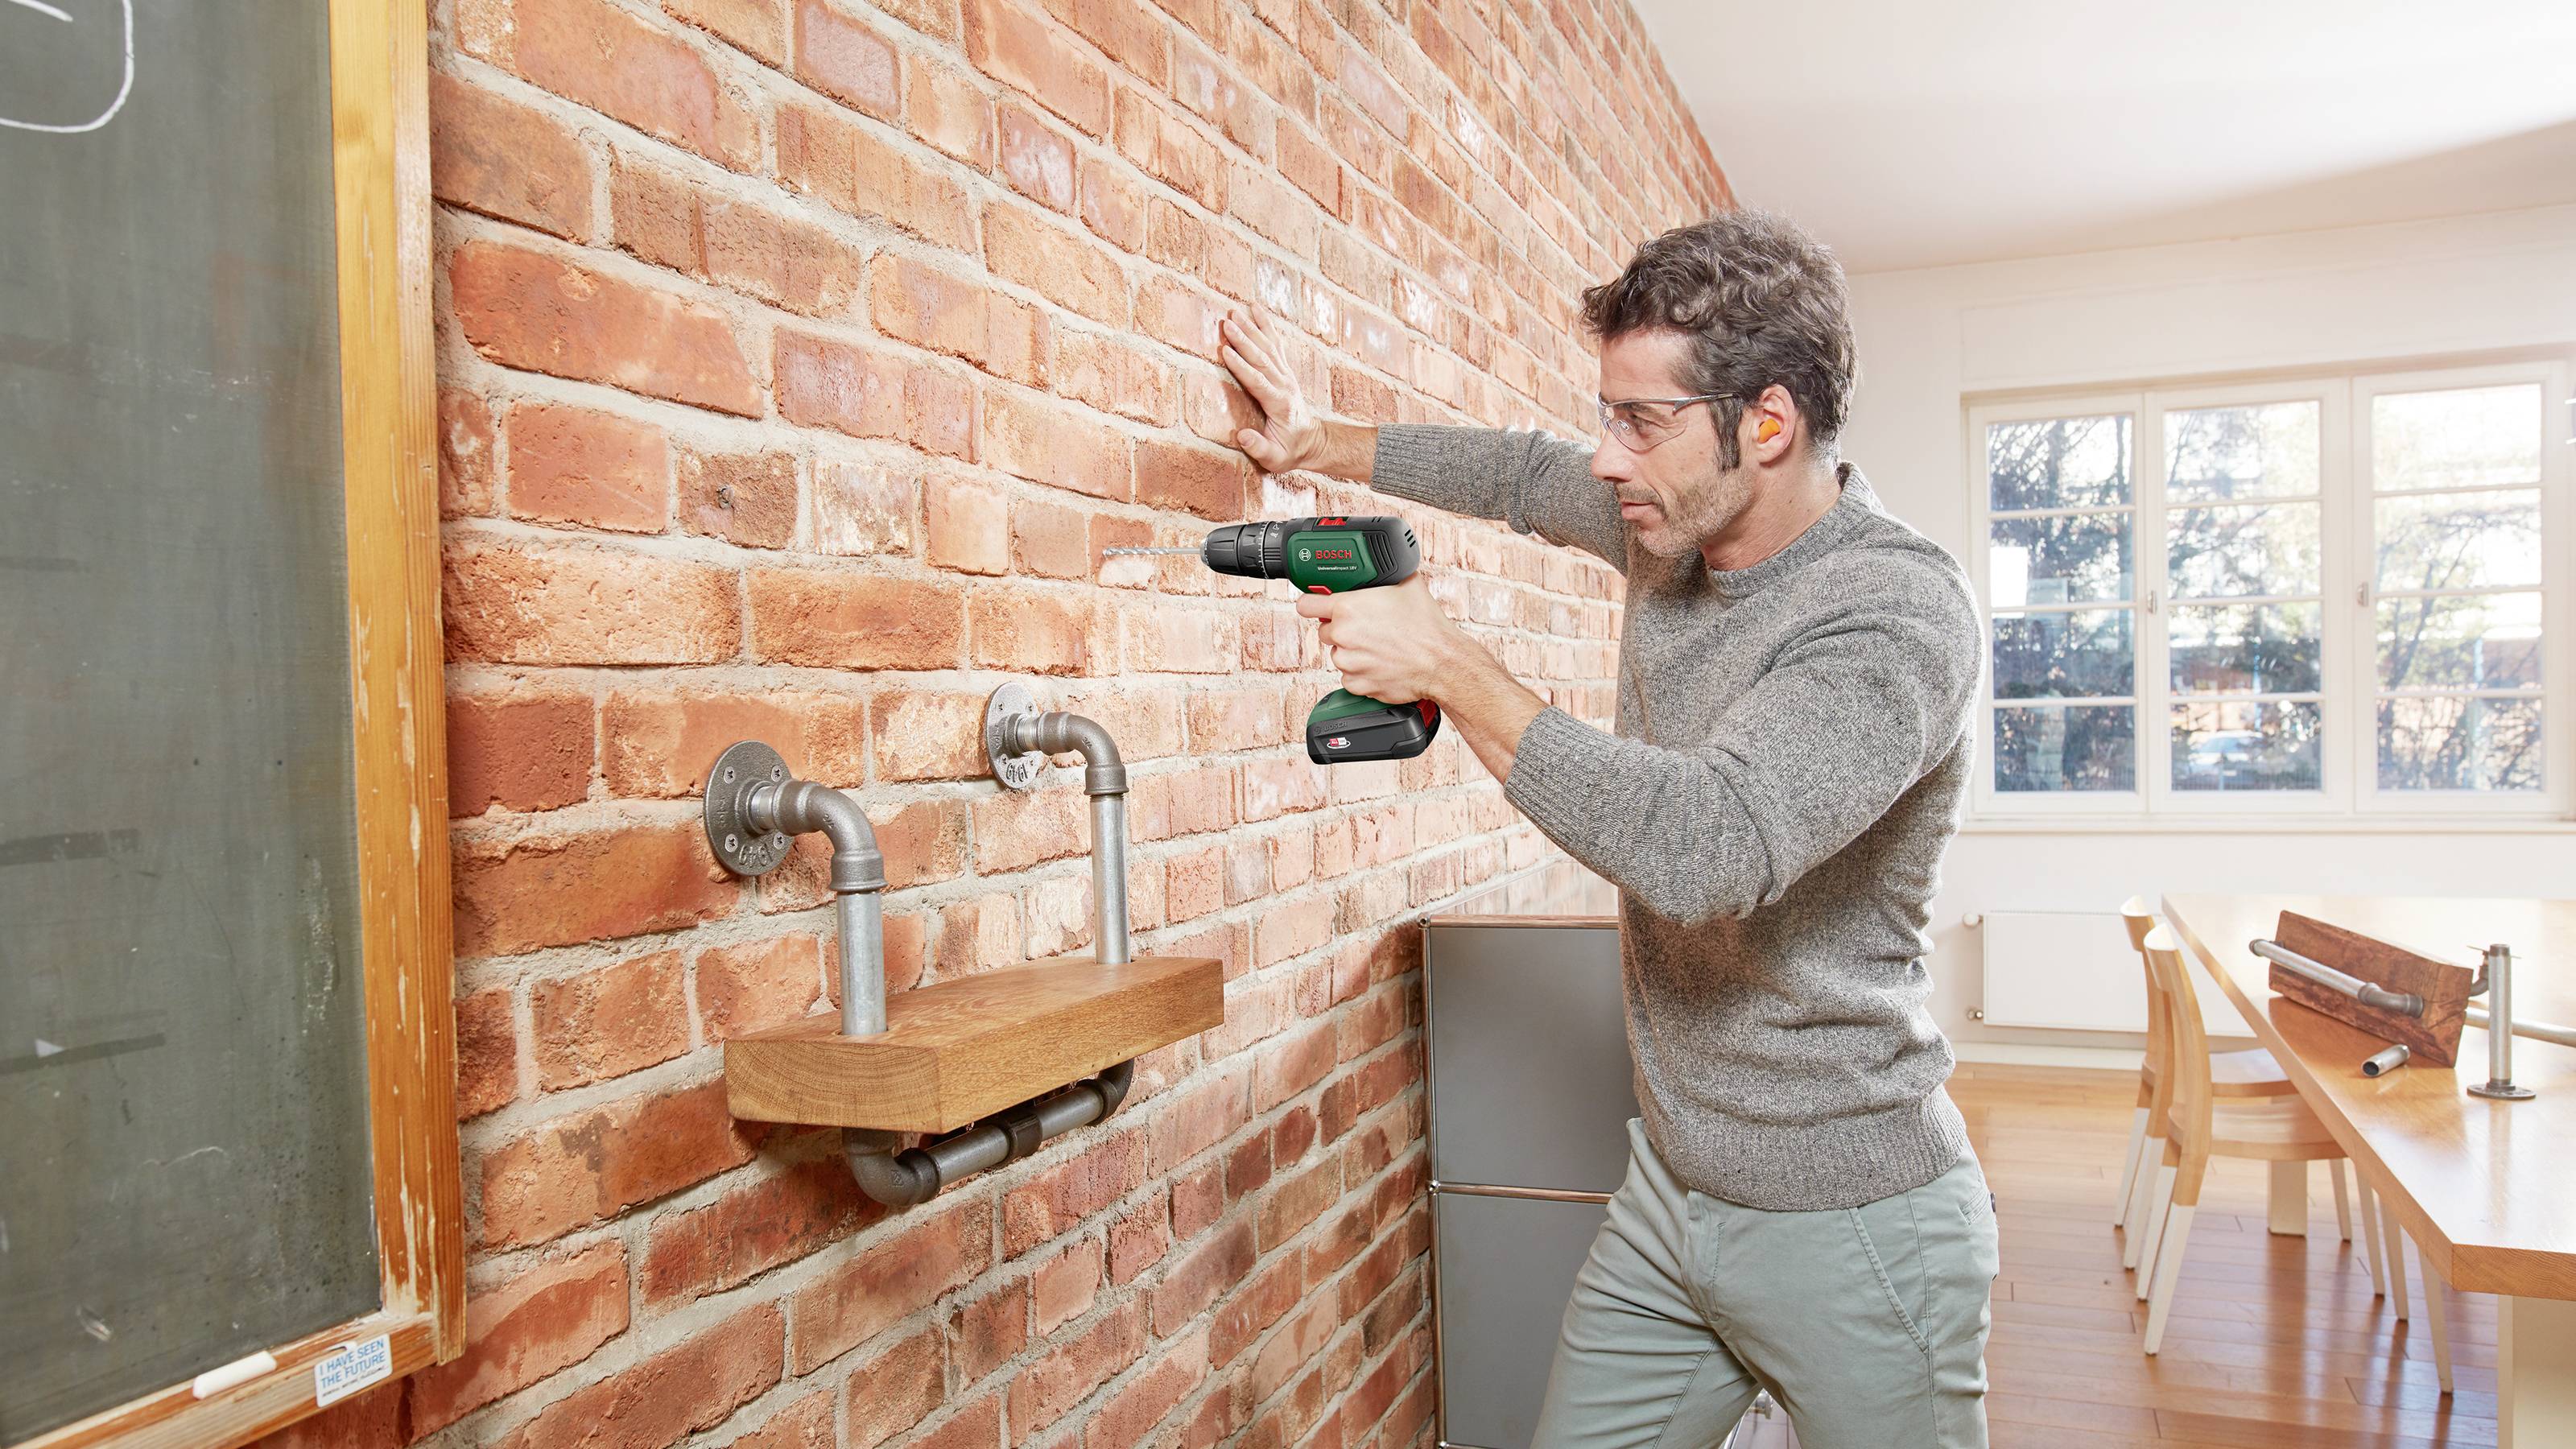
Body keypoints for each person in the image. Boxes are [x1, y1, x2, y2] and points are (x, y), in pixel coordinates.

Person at [1213, 209, 1998, 1447]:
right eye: (1607, 413)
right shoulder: (1675, 531)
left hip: (1854, 1220)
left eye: (1641, 420)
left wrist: (1451, 666)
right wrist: (1316, 440)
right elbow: (1522, 473)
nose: (1604, 457)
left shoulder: (1895, 612)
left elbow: (1707, 845)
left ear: (1770, 423)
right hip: (1674, 1195)